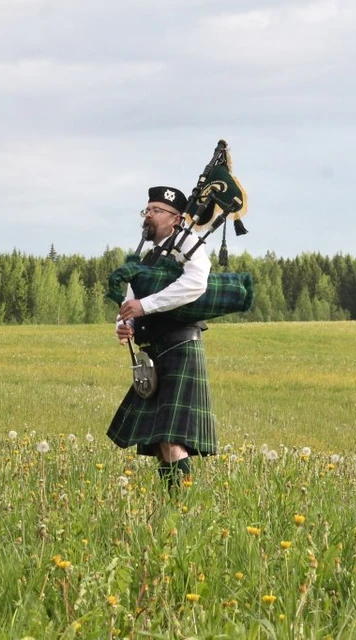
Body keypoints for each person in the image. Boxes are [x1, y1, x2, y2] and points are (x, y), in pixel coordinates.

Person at [106, 185, 218, 489]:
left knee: (171, 439)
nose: (149, 216)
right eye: (148, 210)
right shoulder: (150, 256)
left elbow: (196, 284)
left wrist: (145, 306)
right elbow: (132, 299)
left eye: (157, 211)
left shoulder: (189, 243)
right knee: (158, 442)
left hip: (180, 346)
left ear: (176, 218)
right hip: (154, 351)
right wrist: (124, 322)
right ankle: (175, 503)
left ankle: (182, 506)